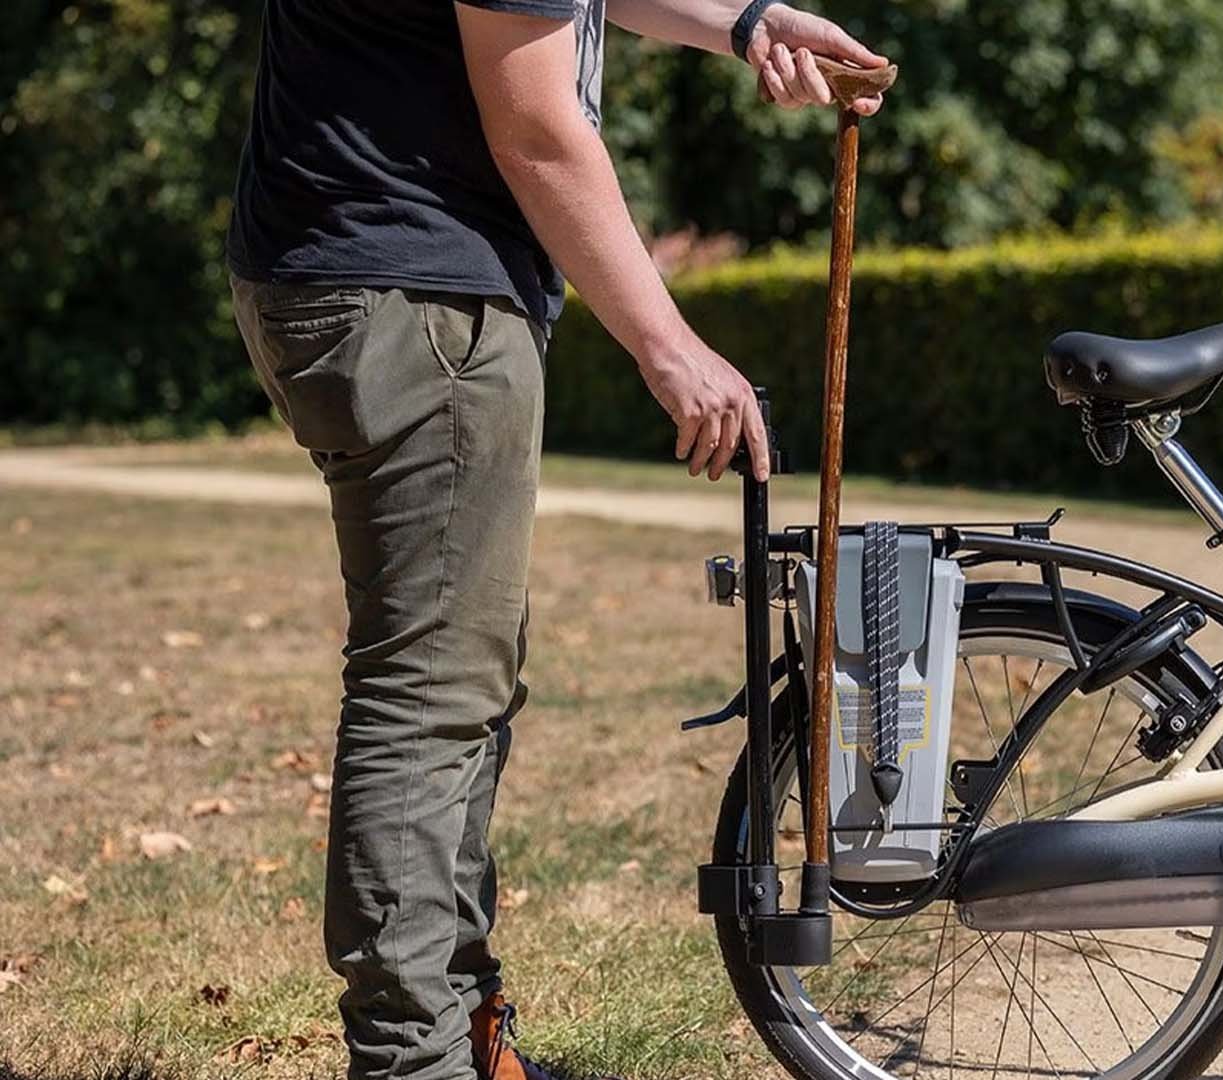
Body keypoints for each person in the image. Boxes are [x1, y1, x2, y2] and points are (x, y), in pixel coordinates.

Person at [224, 2, 885, 1078]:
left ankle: (465, 1024)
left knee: (456, 682)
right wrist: (668, 346)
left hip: (344, 266)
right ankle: (414, 1061)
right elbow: (534, 123)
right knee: (432, 695)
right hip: (417, 293)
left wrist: (742, 21)